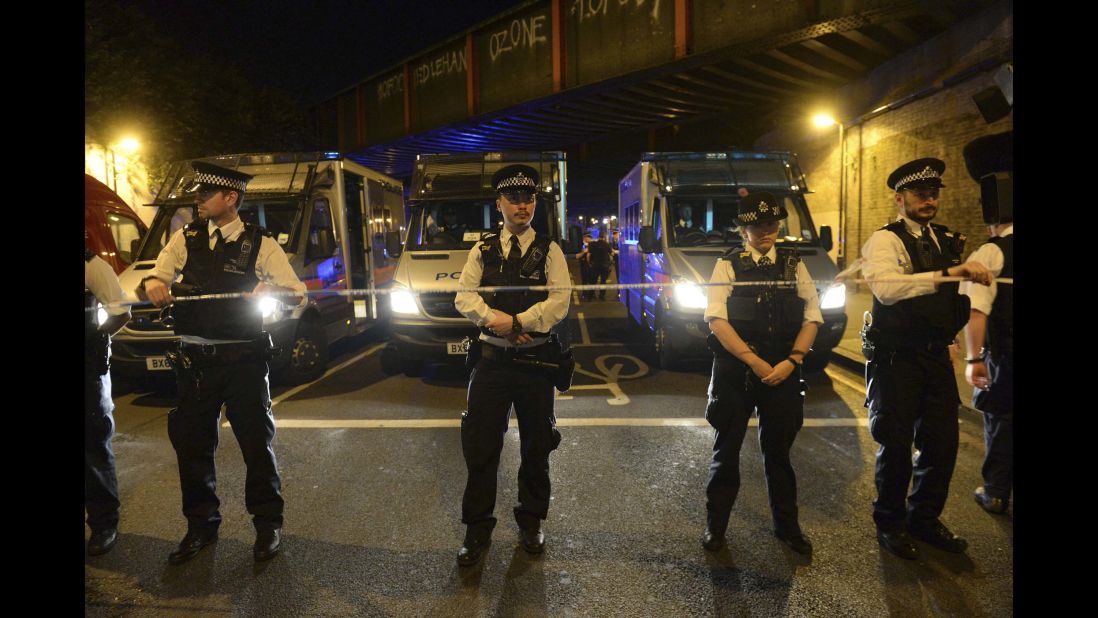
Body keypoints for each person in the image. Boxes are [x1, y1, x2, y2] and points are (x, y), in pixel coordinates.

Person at [135, 161, 306, 564]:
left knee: (255, 447)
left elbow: (298, 294)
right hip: (195, 362)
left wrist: (273, 288)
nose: (197, 200)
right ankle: (201, 527)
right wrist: (155, 284)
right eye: (197, 194)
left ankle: (267, 526)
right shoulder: (185, 237)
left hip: (243, 360)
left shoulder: (261, 244)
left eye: (205, 194)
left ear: (230, 198)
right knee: (193, 448)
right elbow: (156, 276)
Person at [860, 158, 992, 560]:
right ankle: (891, 523)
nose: (929, 200)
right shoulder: (884, 241)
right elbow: (887, 290)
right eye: (920, 194)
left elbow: (943, 300)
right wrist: (952, 272)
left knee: (942, 444)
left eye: (934, 193)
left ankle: (924, 519)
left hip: (934, 358)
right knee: (896, 446)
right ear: (900, 199)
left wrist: (950, 340)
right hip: (896, 360)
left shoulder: (944, 239)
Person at [453, 164, 570, 566]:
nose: (523, 206)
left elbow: (560, 302)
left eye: (529, 198)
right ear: (499, 203)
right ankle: (476, 528)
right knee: (481, 447)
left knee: (537, 445)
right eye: (515, 199)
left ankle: (532, 519)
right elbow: (463, 299)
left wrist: (518, 322)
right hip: (492, 362)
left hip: (536, 362)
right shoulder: (482, 249)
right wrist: (497, 323)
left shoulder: (550, 249)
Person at [700, 192, 821, 555]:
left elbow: (812, 315)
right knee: (726, 452)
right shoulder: (728, 264)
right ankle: (715, 528)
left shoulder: (794, 264)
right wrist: (754, 362)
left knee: (779, 455)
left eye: (770, 224)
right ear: (743, 228)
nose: (765, 232)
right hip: (737, 371)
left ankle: (787, 527)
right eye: (756, 225)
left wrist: (793, 360)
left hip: (783, 370)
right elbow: (716, 319)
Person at [960, 131, 1014, 515]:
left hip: (1006, 355)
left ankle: (995, 491)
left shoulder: (991, 252)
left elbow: (976, 312)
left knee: (1001, 420)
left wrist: (973, 359)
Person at [85, 247, 132, 556]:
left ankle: (104, 523)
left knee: (92, 446)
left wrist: (95, 341)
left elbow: (120, 311)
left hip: (87, 370)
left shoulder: (91, 265)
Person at [586, 232, 613, 300]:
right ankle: (601, 296)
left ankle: (590, 296)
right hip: (604, 265)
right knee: (603, 281)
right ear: (604, 237)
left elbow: (588, 255)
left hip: (596, 265)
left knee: (593, 280)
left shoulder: (593, 244)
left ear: (598, 237)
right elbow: (611, 253)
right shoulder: (606, 244)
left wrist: (589, 263)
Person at [576, 232, 594, 301]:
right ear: (584, 237)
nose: (589, 238)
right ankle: (584, 294)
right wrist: (584, 252)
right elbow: (577, 256)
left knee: (591, 279)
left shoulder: (592, 245)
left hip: (591, 265)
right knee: (584, 280)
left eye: (590, 237)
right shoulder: (580, 245)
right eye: (588, 237)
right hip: (584, 264)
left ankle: (591, 294)